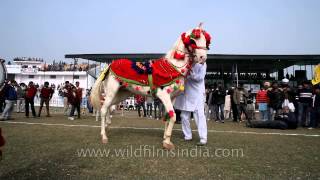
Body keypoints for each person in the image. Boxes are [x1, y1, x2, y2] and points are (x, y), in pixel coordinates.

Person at [174, 62, 207, 146]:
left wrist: (189, 74)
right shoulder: (185, 62)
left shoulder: (202, 64)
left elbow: (200, 78)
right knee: (184, 116)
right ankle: (187, 136)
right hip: (186, 93)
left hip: (197, 93)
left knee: (199, 116)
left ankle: (203, 138)